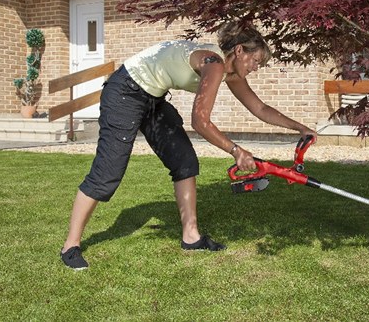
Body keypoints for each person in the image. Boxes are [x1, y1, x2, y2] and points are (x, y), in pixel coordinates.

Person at [60, 22, 317, 270]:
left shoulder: (231, 73)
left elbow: (259, 108)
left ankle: (191, 236)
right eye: (256, 60)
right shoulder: (213, 63)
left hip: (153, 98)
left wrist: (300, 128)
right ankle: (70, 246)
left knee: (185, 162)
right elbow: (200, 121)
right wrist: (236, 151)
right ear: (239, 51)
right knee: (108, 173)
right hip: (124, 92)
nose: (256, 67)